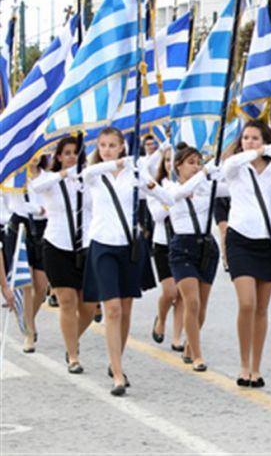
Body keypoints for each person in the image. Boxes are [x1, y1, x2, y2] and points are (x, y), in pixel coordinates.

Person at [81, 127, 174, 395]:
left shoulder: (134, 173)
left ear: (122, 146)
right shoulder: (95, 175)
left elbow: (167, 199)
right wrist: (116, 164)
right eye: (102, 145)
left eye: (112, 145)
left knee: (125, 309)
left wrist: (145, 180)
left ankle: (116, 360)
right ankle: (118, 374)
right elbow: (86, 173)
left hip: (129, 246)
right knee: (111, 309)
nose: (107, 149)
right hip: (102, 246)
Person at [221, 120, 271, 388]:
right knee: (247, 303)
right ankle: (243, 364)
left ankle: (256, 366)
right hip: (240, 240)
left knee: (261, 309)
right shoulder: (237, 167)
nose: (249, 142)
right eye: (246, 138)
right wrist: (259, 151)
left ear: (266, 140)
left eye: (255, 138)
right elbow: (226, 166)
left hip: (268, 242)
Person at [29, 137, 96, 372]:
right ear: (58, 156)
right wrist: (64, 174)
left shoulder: (88, 178)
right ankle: (73, 355)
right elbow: (35, 187)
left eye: (75, 152)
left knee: (89, 307)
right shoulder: (49, 179)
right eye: (66, 153)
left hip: (86, 244)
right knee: (67, 301)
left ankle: (71, 339)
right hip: (57, 245)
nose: (71, 157)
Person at [163, 144, 221, 372]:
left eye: (199, 163)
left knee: (202, 306)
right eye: (191, 163)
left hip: (206, 246)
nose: (196, 167)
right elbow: (176, 195)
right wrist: (204, 175)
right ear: (178, 166)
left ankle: (191, 345)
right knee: (192, 302)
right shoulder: (169, 186)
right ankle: (197, 355)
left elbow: (232, 188)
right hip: (182, 248)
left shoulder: (206, 187)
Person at [5, 156, 49, 353]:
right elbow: (16, 206)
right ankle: (29, 333)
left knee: (42, 285)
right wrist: (38, 209)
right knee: (27, 283)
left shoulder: (47, 176)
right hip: (20, 228)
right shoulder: (16, 177)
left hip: (43, 229)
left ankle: (28, 320)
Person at [147, 145, 184, 352]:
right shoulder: (155, 186)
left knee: (183, 294)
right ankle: (161, 319)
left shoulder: (188, 186)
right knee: (170, 291)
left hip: (183, 242)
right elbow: (157, 216)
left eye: (174, 160)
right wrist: (171, 198)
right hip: (163, 242)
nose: (170, 164)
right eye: (167, 160)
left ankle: (177, 336)